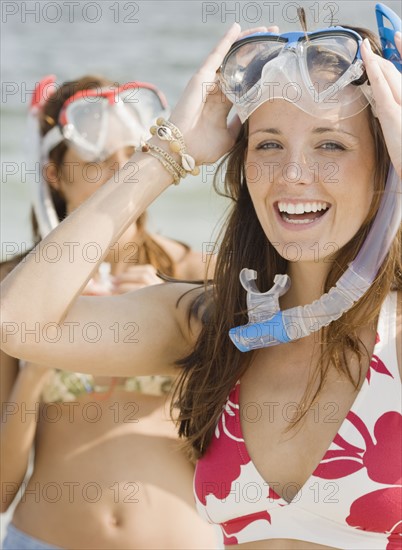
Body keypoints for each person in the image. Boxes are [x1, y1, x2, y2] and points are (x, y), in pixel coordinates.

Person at [1, 4, 401, 549]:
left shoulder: (395, 338)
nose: (293, 174)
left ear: (387, 164)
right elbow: (18, 322)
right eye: (268, 144)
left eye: (331, 143)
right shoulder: (214, 328)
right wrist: (168, 153)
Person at [0, 75, 218, 549]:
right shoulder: (12, 295)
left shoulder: (196, 272)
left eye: (133, 156)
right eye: (99, 159)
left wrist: (171, 314)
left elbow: (241, 442)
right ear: (54, 174)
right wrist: (35, 370)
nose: (123, 172)